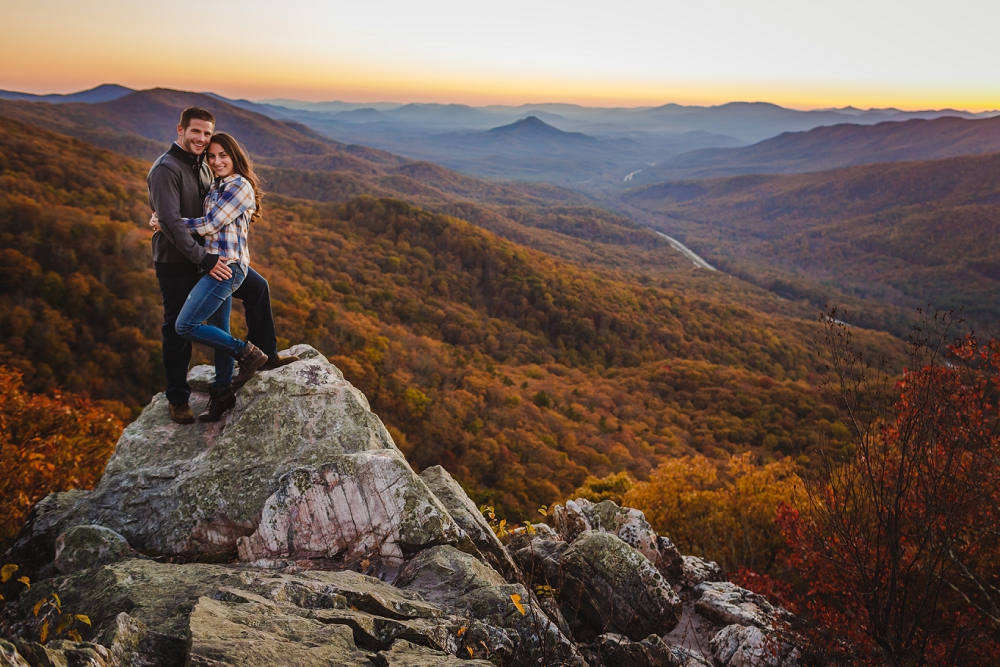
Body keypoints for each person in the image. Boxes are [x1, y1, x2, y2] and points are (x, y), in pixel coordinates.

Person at [148, 107, 295, 424]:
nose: (203, 142)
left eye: (207, 134)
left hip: (212, 262)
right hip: (180, 261)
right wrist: (166, 224)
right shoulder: (167, 169)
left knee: (249, 297)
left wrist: (168, 224)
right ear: (181, 130)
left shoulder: (207, 170)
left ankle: (236, 377)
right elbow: (177, 221)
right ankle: (178, 398)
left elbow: (207, 221)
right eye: (196, 132)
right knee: (178, 329)